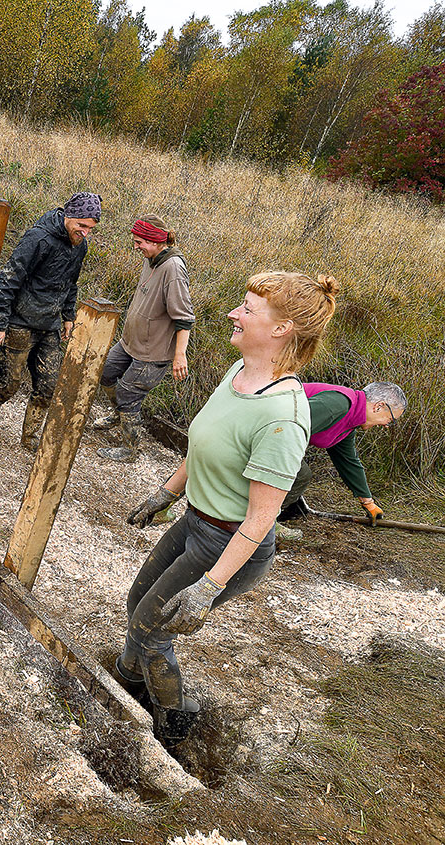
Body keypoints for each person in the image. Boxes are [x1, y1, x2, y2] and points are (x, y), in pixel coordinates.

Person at [115, 271, 338, 744]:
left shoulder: (282, 417)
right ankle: (127, 686)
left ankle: (174, 726)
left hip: (228, 543)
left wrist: (207, 588)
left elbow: (261, 518)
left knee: (155, 629)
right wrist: (166, 494)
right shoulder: (238, 374)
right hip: (196, 519)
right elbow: (204, 445)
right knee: (139, 605)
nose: (234, 314)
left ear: (281, 329)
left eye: (249, 309)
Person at [0, 192, 100, 451]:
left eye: (91, 228)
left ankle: (30, 439)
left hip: (50, 325)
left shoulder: (80, 246)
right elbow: (8, 279)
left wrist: (67, 316)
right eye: (82, 226)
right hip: (20, 322)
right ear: (69, 216)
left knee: (48, 385)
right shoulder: (38, 238)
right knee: (8, 382)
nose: (85, 232)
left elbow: (70, 283)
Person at [92, 214, 195, 462]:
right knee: (106, 372)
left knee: (129, 393)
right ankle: (120, 414)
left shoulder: (173, 269)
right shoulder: (151, 259)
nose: (136, 247)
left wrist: (179, 355)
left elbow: (184, 318)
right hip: (130, 343)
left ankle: (130, 450)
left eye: (139, 242)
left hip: (153, 352)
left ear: (156, 241)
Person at [274, 381, 406, 540]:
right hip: (256, 430)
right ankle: (262, 522)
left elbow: (348, 461)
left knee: (297, 470)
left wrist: (368, 502)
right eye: (390, 420)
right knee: (300, 473)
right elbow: (284, 426)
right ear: (378, 406)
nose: (386, 425)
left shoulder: (349, 420)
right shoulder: (338, 405)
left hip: (271, 434)